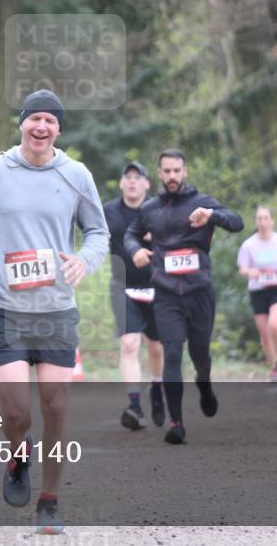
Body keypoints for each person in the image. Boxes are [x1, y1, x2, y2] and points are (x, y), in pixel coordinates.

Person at [0, 89, 109, 535]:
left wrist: (85, 259)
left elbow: (97, 231)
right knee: (16, 410)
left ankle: (50, 502)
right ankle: (18, 456)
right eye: (34, 118)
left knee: (56, 407)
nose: (41, 127)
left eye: (50, 120)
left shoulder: (76, 175)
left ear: (60, 129)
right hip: (4, 307)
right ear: (22, 123)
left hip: (56, 309)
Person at [124, 149, 244, 445]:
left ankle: (204, 383)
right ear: (160, 173)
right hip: (166, 294)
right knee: (173, 353)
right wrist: (135, 250)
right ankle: (177, 423)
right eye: (166, 171)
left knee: (200, 354)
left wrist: (212, 216)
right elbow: (130, 234)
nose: (172, 176)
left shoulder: (201, 202)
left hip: (199, 291)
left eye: (177, 170)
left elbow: (237, 221)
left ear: (185, 171)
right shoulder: (150, 208)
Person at [103, 161, 165, 430]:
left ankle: (158, 388)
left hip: (158, 286)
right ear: (120, 183)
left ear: (146, 183)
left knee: (157, 347)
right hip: (123, 285)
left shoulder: (159, 208)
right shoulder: (107, 212)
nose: (131, 181)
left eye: (137, 177)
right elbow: (93, 237)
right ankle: (134, 406)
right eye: (126, 177)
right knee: (129, 344)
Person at [237, 206, 277, 381]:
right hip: (258, 290)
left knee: (275, 325)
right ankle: (276, 368)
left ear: (272, 221)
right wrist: (250, 272)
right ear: (256, 222)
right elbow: (242, 268)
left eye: (265, 218)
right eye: (259, 219)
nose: (262, 222)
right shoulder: (248, 244)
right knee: (264, 332)